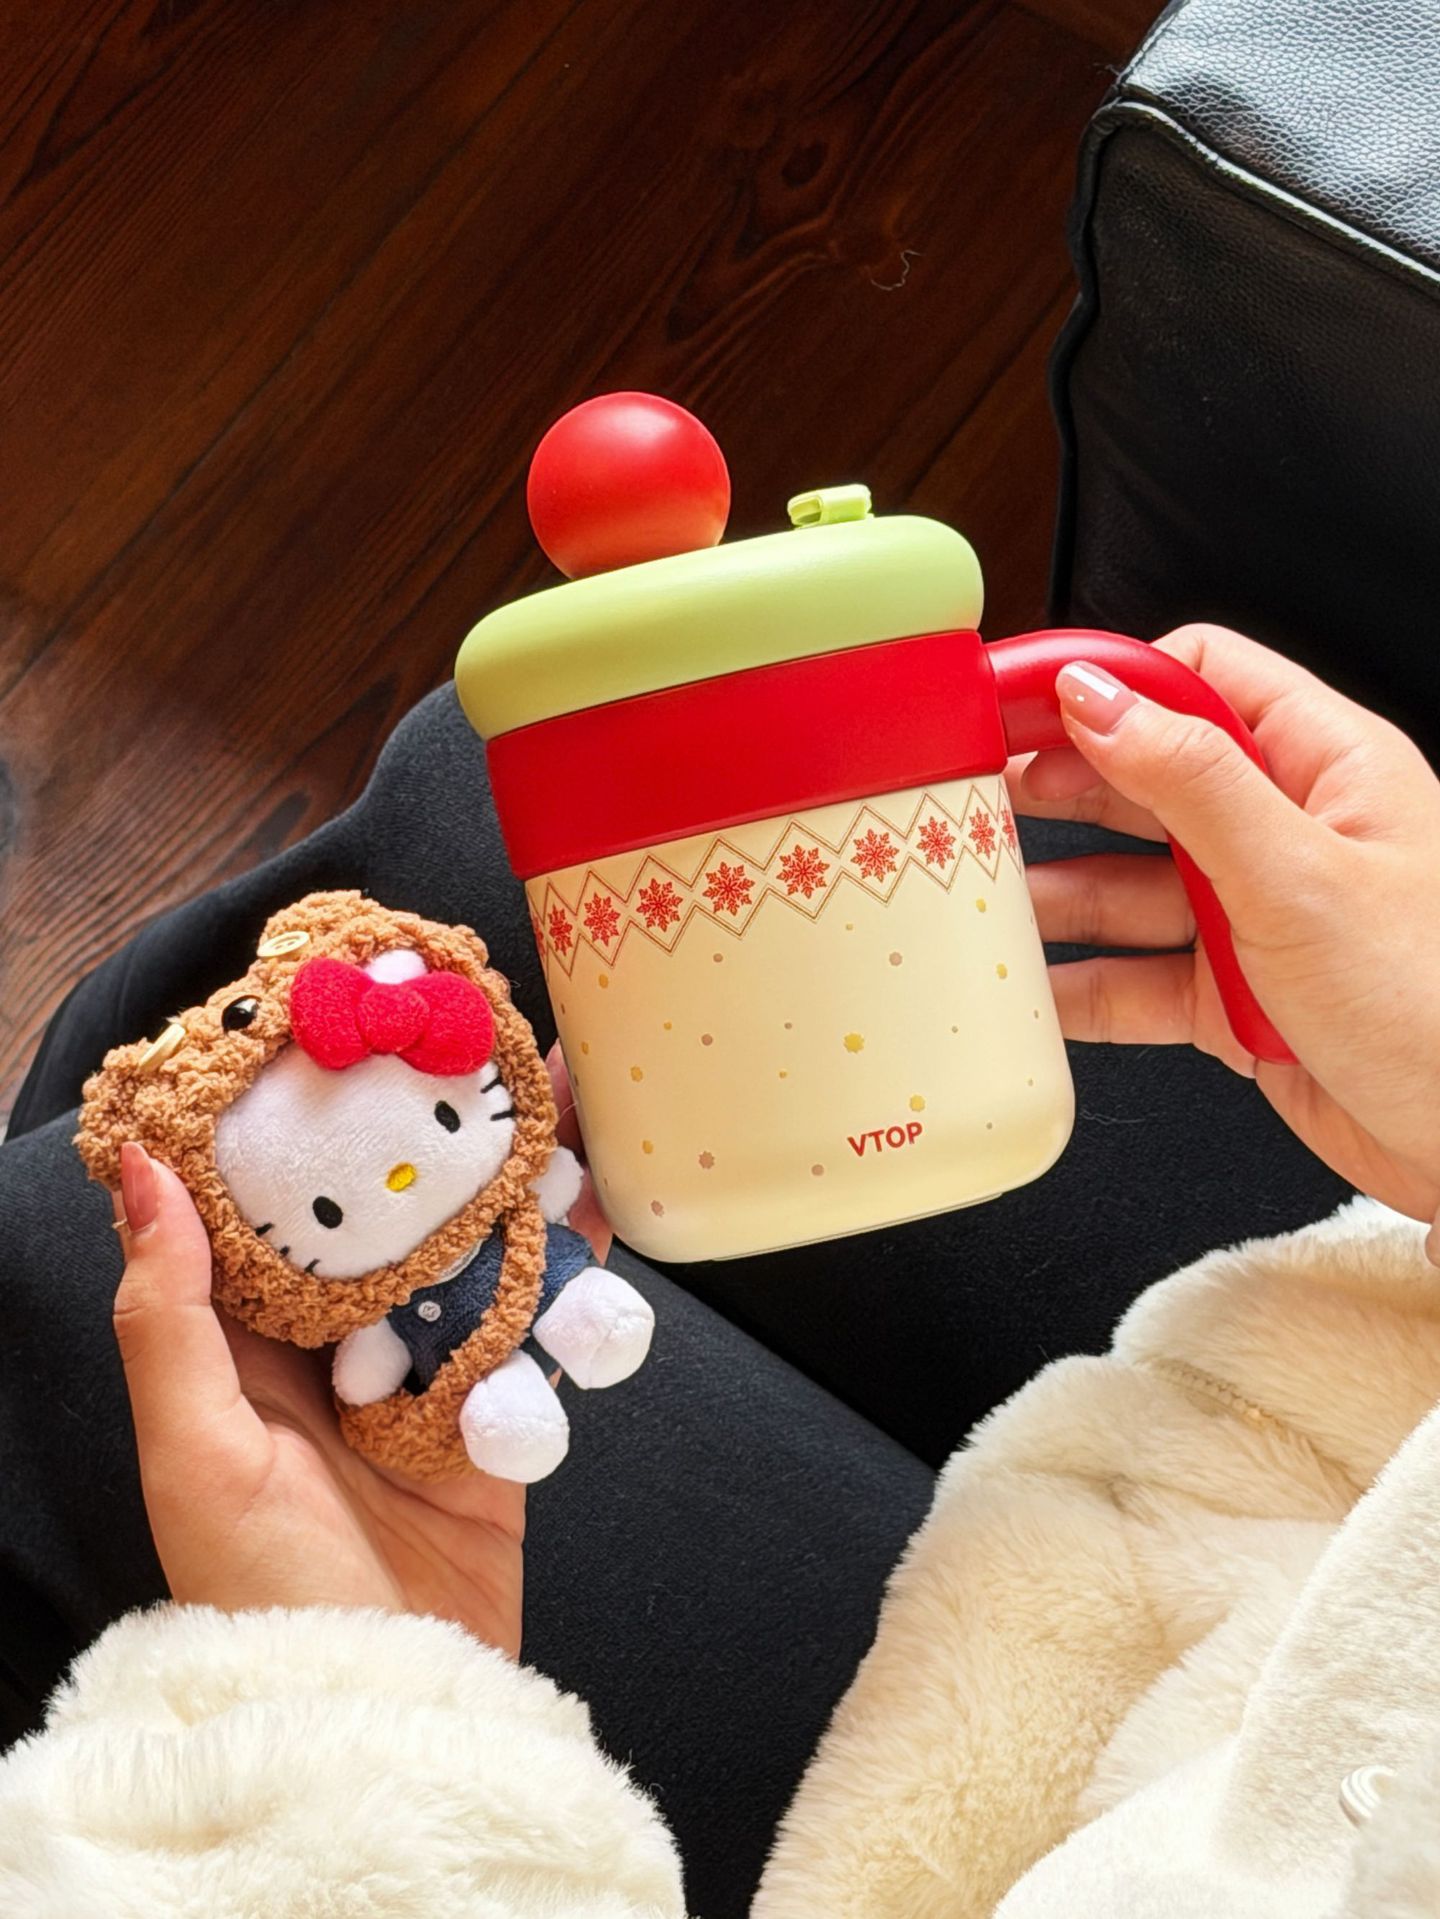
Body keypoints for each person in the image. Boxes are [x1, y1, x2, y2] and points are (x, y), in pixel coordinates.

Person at [0, 627, 1436, 1914]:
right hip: (1340, 1440)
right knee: (478, 780)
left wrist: (381, 1708)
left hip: (1043, 1819)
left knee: (57, 1236)